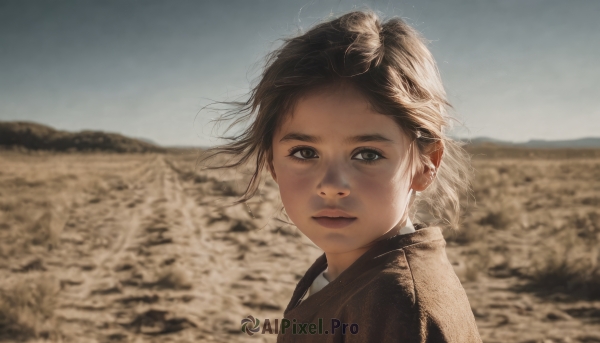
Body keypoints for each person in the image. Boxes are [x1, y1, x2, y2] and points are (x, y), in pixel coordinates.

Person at [203, 10, 482, 343]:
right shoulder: (347, 275)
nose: (332, 186)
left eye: (367, 154)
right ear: (272, 163)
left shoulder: (397, 311)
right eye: (305, 153)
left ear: (426, 164)